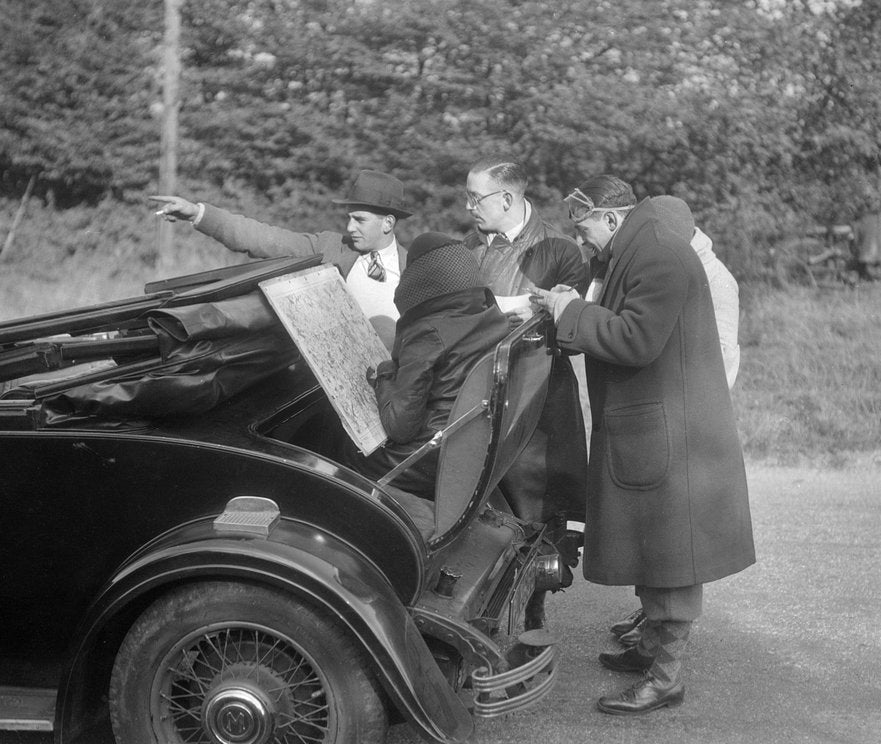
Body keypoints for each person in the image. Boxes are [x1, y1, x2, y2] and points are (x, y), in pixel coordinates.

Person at [531, 175, 755, 716]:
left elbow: (635, 338)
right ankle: (653, 651)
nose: (581, 241)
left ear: (612, 218)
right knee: (653, 547)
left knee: (673, 559)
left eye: (584, 228)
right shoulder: (639, 249)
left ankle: (666, 678)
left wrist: (568, 311)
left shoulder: (657, 255)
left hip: (668, 437)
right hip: (653, 428)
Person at [462, 157, 591, 629]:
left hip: (540, 401)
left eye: (476, 198)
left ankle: (532, 617)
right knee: (488, 510)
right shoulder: (467, 250)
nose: (469, 206)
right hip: (483, 395)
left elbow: (567, 331)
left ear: (508, 199)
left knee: (539, 510)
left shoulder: (560, 250)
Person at [608, 224, 742, 646]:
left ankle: (666, 653)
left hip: (689, 421)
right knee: (660, 535)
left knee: (679, 540)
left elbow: (718, 359)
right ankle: (654, 624)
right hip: (673, 414)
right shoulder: (680, 264)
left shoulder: (710, 278)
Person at [150, 170, 413, 351]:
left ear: (388, 223)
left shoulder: (415, 268)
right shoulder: (331, 247)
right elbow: (263, 238)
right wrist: (198, 214)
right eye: (349, 217)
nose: (350, 226)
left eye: (360, 220)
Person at [349, 232, 510, 498]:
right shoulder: (491, 314)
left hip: (431, 455)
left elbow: (400, 427)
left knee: (339, 451)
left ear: (418, 278)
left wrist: (385, 374)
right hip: (474, 443)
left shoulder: (426, 331)